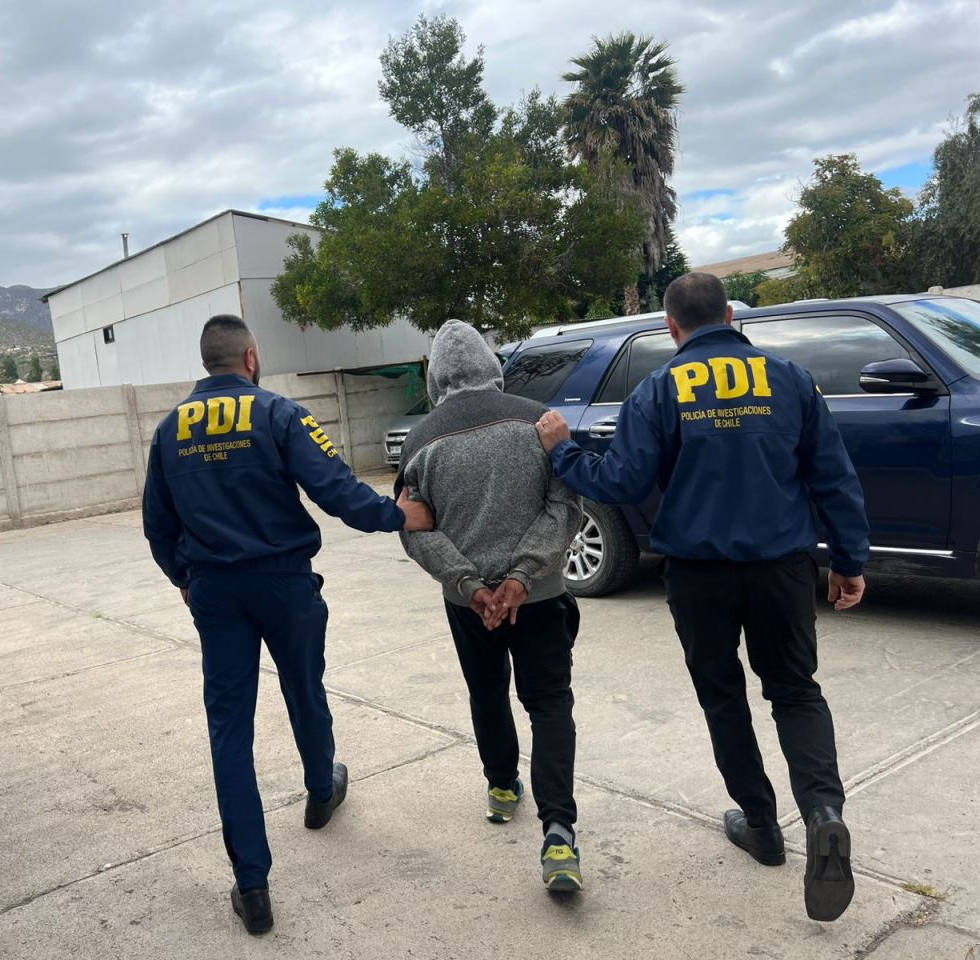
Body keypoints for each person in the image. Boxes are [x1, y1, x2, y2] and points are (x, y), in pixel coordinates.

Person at [536, 273, 869, 922]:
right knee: (795, 691)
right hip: (781, 568)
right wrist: (849, 562)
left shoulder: (660, 388)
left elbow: (623, 481)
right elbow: (834, 477)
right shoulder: (790, 379)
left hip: (698, 575)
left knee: (724, 697)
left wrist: (563, 452)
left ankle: (762, 827)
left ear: (672, 327)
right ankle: (823, 810)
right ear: (733, 317)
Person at [142, 314, 434, 935]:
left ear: (207, 361)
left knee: (229, 729)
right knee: (304, 688)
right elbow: (338, 491)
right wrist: (398, 515)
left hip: (216, 591)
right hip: (284, 582)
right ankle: (321, 791)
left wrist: (186, 579)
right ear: (250, 357)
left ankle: (252, 885)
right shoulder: (279, 414)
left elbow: (157, 526)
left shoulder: (170, 430)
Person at [396, 319, 585, 893]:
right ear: (491, 365)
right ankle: (559, 833)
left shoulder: (420, 440)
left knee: (487, 692)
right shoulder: (540, 421)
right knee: (549, 704)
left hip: (468, 605)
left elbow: (414, 528)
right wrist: (522, 577)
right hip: (541, 596)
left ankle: (502, 787)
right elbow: (566, 506)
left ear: (435, 377)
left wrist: (470, 585)